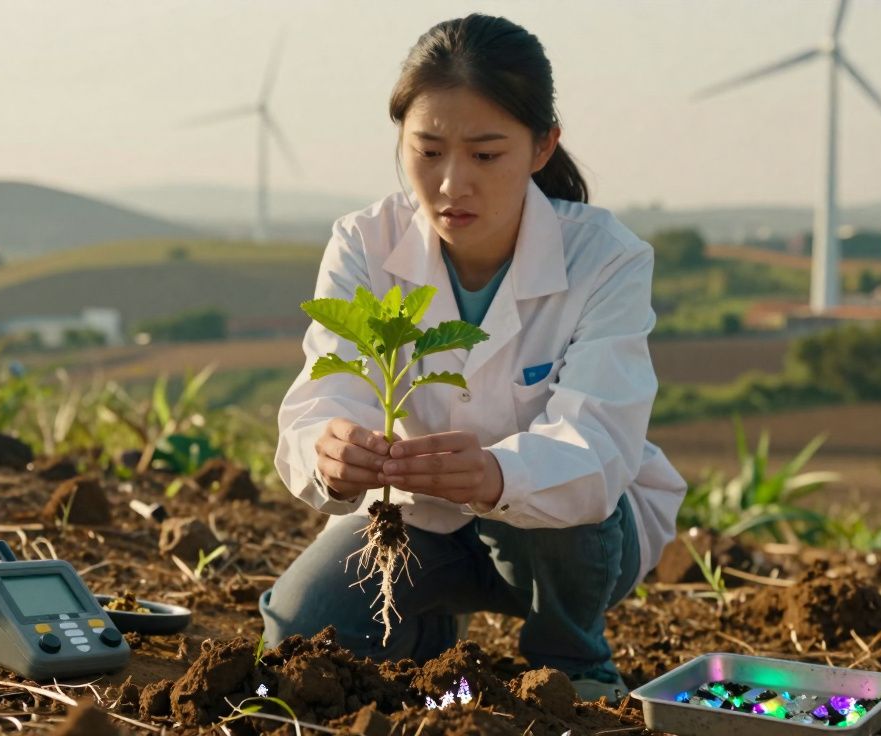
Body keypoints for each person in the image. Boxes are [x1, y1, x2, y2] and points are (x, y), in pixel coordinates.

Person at [259, 13, 686, 702]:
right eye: (427, 151)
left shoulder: (605, 257)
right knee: (300, 638)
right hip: (415, 518)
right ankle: (432, 647)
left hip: (569, 548)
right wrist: (329, 451)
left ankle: (572, 660)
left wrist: (494, 473)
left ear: (543, 146)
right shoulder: (365, 243)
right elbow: (326, 390)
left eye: (486, 155)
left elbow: (599, 445)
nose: (453, 184)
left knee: (560, 497)